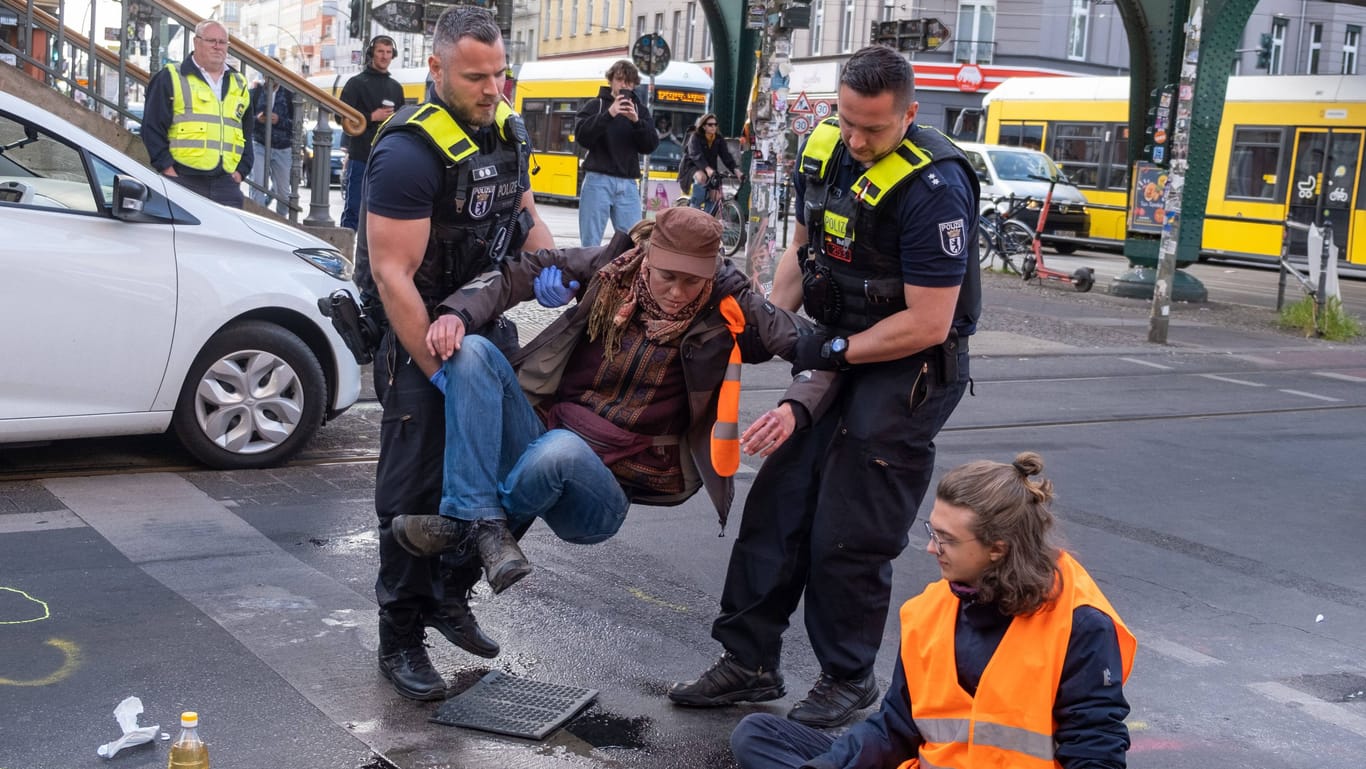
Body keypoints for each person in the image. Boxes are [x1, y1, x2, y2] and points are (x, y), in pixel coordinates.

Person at [670, 44, 981, 729]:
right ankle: (747, 662)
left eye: (873, 127)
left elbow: (929, 322)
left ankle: (848, 678)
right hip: (837, 338)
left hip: (907, 366)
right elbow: (801, 247)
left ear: (910, 115)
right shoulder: (825, 149)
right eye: (847, 120)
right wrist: (769, 323)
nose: (857, 139)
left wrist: (828, 348)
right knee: (779, 501)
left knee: (850, 522)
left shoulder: (935, 188)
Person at [387, 205, 836, 606]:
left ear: (711, 272)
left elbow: (820, 352)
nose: (679, 292)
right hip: (543, 438)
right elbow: (515, 272)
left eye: (693, 281)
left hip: (605, 492)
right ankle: (477, 521)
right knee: (474, 352)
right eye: (669, 277)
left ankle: (465, 524)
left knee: (560, 449)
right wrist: (455, 314)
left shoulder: (731, 303)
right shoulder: (610, 269)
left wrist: (795, 406)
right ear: (649, 259)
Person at [353, 6, 553, 702]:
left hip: (486, 324)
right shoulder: (408, 150)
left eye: (499, 73)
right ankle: (400, 638)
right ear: (434, 69)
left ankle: (450, 591)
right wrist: (443, 376)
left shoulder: (508, 128)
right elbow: (393, 276)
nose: (492, 87)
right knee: (413, 494)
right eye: (476, 76)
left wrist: (552, 265)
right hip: (420, 341)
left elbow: (523, 212)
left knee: (516, 471)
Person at [729, 452, 1136, 769]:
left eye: (946, 539)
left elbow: (1096, 751)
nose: (930, 548)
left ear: (998, 549)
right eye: (932, 531)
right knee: (758, 734)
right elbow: (897, 727)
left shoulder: (1079, 622)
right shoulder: (929, 611)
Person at [141, 20, 252, 208]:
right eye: (211, 41)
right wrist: (167, 169)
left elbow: (247, 132)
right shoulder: (171, 76)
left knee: (227, 238)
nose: (218, 47)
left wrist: (242, 170)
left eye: (222, 42)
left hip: (226, 184)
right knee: (182, 238)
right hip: (183, 179)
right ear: (196, 42)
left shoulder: (239, 82)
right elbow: (151, 127)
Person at [573, 59, 659, 247]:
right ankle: (590, 276)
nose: (624, 86)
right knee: (590, 243)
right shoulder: (596, 106)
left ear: (634, 85)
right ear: (611, 80)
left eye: (629, 82)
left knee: (635, 243)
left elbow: (650, 145)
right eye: (620, 80)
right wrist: (609, 114)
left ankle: (626, 276)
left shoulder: (640, 110)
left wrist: (636, 122)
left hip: (628, 184)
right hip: (597, 180)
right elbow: (582, 137)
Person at [338, 34, 405, 230]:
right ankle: (346, 255)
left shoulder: (396, 88)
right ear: (371, 54)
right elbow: (340, 117)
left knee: (384, 213)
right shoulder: (355, 83)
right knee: (353, 209)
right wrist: (371, 117)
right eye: (380, 52)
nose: (385, 56)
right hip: (360, 157)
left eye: (388, 52)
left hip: (387, 158)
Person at [248, 72, 293, 215]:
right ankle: (258, 218)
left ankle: (281, 220)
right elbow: (245, 119)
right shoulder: (255, 93)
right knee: (257, 184)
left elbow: (296, 125)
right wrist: (258, 119)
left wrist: (278, 120)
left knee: (284, 193)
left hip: (282, 147)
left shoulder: (289, 96)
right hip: (259, 144)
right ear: (264, 76)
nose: (271, 78)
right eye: (268, 74)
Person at [681, 112, 741, 212]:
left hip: (709, 167)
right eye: (710, 124)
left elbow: (726, 156)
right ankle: (692, 209)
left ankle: (707, 218)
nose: (713, 127)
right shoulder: (695, 137)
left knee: (715, 196)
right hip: (692, 165)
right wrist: (707, 168)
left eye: (715, 124)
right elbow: (696, 155)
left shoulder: (718, 139)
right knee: (702, 178)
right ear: (704, 126)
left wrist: (736, 171)